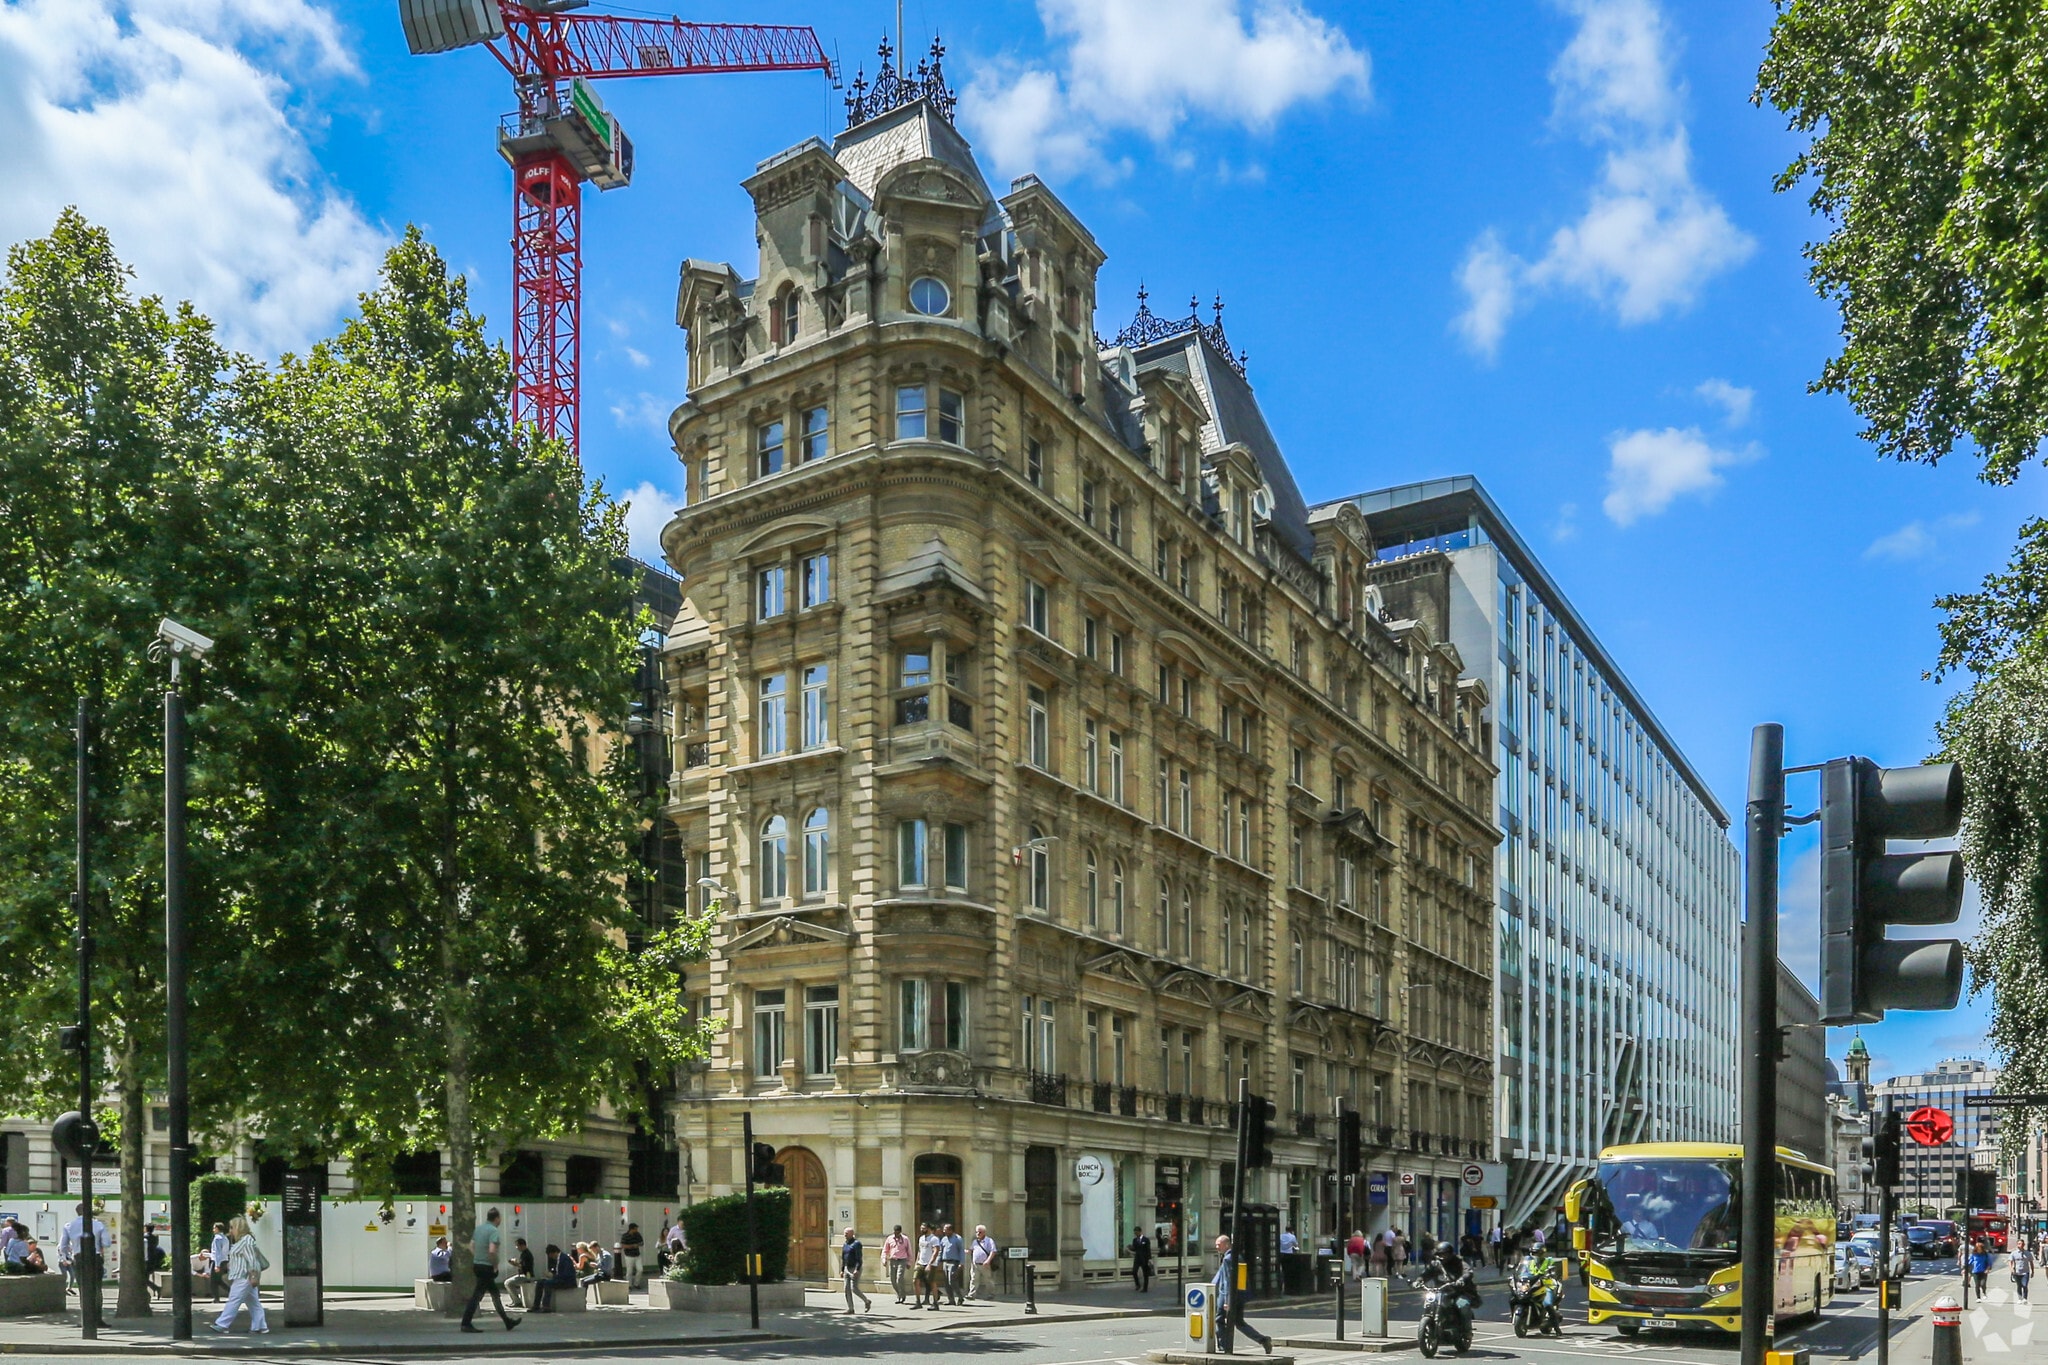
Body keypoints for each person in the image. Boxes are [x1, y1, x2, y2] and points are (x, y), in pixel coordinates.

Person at [458, 1207, 519, 1334]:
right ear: (496, 1218)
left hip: (477, 1265)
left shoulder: (479, 1229)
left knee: (495, 1294)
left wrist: (477, 1256)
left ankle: (507, 1321)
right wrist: (495, 1265)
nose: (500, 1220)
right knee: (477, 1296)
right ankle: (465, 1323)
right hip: (487, 1267)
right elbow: (492, 1251)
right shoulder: (493, 1231)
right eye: (500, 1217)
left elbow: (471, 1246)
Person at [1212, 1234, 1271, 1354]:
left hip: (1227, 1296)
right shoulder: (1236, 1256)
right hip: (1239, 1295)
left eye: (1219, 1245)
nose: (1217, 1247)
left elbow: (1228, 1281)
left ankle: (1224, 1346)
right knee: (1239, 1322)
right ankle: (1262, 1339)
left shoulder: (1228, 1259)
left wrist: (1227, 1301)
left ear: (1227, 1244)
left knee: (1219, 1319)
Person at [208, 1217, 268, 1334]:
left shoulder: (246, 1241)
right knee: (253, 1302)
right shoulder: (243, 1241)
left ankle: (222, 1324)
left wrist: (253, 1275)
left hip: (244, 1276)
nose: (230, 1230)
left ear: (238, 1228)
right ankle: (260, 1326)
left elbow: (252, 1260)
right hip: (244, 1276)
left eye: (232, 1227)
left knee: (234, 1299)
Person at [1419, 1243, 1480, 1344]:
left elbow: (1468, 1272)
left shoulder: (1459, 1262)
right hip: (1440, 1291)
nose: (1442, 1257)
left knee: (1463, 1305)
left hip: (1458, 1292)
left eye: (1444, 1254)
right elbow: (1426, 1274)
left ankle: (1467, 1331)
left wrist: (1461, 1279)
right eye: (1440, 1254)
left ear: (1450, 1254)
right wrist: (1418, 1281)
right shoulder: (1435, 1264)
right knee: (1430, 1302)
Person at [59, 1204, 109, 1297]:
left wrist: (66, 1258)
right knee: (97, 1286)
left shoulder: (69, 1226)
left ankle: (84, 1304)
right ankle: (97, 1304)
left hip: (79, 1257)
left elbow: (63, 1246)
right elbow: (107, 1243)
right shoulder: (99, 1225)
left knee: (82, 1286)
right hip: (95, 1257)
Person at [840, 1228, 872, 1313]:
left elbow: (859, 1258)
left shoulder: (856, 1244)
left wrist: (857, 1269)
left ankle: (866, 1301)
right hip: (847, 1267)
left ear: (852, 1234)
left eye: (847, 1233)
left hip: (854, 1268)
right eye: (844, 1233)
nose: (845, 1235)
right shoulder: (845, 1244)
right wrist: (842, 1270)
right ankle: (850, 1308)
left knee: (854, 1288)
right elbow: (843, 1258)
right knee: (846, 1289)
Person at [503, 1237, 537, 1308]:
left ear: (522, 1245)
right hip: (527, 1275)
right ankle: (516, 1301)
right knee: (509, 1282)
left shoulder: (526, 1254)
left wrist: (515, 1264)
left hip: (527, 1276)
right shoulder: (525, 1253)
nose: (516, 1247)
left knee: (508, 1283)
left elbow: (524, 1267)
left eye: (517, 1245)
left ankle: (517, 1301)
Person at [915, 1224, 940, 1309]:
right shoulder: (921, 1238)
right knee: (915, 1280)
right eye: (921, 1228)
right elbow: (919, 1251)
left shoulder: (934, 1239)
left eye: (924, 1228)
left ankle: (935, 1303)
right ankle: (918, 1302)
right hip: (920, 1263)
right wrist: (916, 1262)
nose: (922, 1230)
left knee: (931, 1282)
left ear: (928, 1228)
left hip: (930, 1264)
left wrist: (930, 1264)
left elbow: (936, 1251)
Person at [884, 1225, 912, 1303]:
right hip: (893, 1260)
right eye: (895, 1232)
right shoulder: (890, 1238)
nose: (896, 1233)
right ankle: (899, 1294)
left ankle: (902, 1295)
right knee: (893, 1279)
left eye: (898, 1232)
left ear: (900, 1232)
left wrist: (909, 1262)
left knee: (899, 1278)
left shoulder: (905, 1239)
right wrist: (884, 1259)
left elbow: (909, 1250)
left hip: (902, 1260)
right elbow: (885, 1250)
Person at [941, 1223, 966, 1305]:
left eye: (946, 1230)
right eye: (944, 1229)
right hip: (945, 1262)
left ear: (951, 1230)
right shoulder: (944, 1239)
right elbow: (941, 1250)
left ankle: (960, 1297)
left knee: (952, 1281)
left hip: (954, 1262)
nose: (944, 1231)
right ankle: (951, 1300)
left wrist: (961, 1263)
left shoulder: (957, 1238)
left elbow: (961, 1251)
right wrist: (937, 1261)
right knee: (946, 1282)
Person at [971, 1226, 996, 1300]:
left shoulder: (989, 1240)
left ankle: (991, 1294)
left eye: (980, 1232)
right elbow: (972, 1250)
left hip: (985, 1264)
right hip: (975, 1264)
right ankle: (971, 1295)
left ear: (984, 1233)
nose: (978, 1234)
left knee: (988, 1280)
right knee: (974, 1279)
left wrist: (988, 1261)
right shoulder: (975, 1242)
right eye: (976, 1232)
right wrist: (967, 1251)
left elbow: (993, 1251)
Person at [209, 1221, 232, 1300]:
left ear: (217, 1229)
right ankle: (232, 1292)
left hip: (218, 1261)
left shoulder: (217, 1238)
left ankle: (216, 1298)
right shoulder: (225, 1238)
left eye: (214, 1228)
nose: (213, 1230)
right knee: (218, 1280)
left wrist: (217, 1265)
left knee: (213, 1281)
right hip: (224, 1260)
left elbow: (217, 1252)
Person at [619, 1222, 644, 1289]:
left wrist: (638, 1244)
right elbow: (623, 1245)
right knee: (629, 1271)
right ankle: (629, 1285)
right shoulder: (625, 1236)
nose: (637, 1230)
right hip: (629, 1255)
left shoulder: (637, 1234)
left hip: (637, 1255)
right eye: (635, 1229)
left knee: (640, 1269)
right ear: (631, 1229)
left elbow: (642, 1243)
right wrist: (632, 1246)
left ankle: (636, 1283)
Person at [1129, 1226, 1153, 1292]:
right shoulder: (1135, 1240)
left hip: (1144, 1259)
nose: (1136, 1234)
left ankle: (1145, 1288)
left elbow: (1148, 1250)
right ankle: (1138, 1284)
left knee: (1145, 1274)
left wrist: (1149, 1259)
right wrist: (1129, 1248)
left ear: (1140, 1232)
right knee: (1134, 1271)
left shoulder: (1146, 1240)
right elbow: (1134, 1248)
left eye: (1136, 1232)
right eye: (1135, 1233)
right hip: (1137, 1258)